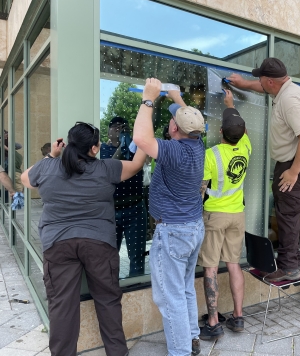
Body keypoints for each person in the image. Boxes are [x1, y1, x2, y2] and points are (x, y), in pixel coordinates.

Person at [21, 122, 146, 356]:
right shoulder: (107, 168)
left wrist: (51, 154)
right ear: (95, 148)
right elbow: (138, 163)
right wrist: (145, 136)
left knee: (62, 307)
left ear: (68, 144)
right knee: (108, 301)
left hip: (58, 245)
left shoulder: (47, 167)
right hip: (99, 244)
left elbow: (26, 179)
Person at [228, 57, 300, 282]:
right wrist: (243, 84)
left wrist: (293, 172)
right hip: (291, 161)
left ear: (271, 81)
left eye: (261, 78)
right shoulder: (283, 89)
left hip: (299, 162)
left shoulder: (290, 99)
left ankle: (289, 268)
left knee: (288, 216)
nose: (259, 82)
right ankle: (287, 263)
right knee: (284, 212)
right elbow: (261, 86)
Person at [133, 78, 205, 356]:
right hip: (192, 228)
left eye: (174, 119)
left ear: (174, 128)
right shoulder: (197, 145)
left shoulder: (174, 151)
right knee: (184, 287)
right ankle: (192, 338)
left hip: (174, 233)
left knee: (169, 297)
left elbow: (141, 138)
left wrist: (149, 98)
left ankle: (181, 351)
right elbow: (190, 119)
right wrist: (176, 97)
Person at [197, 90, 251, 341]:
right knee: (233, 264)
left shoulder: (211, 154)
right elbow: (243, 130)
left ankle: (213, 321)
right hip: (237, 215)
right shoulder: (246, 147)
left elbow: (202, 188)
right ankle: (238, 316)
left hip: (215, 215)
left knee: (210, 266)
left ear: (220, 132)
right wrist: (231, 104)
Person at [100, 116, 147, 277]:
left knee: (137, 256)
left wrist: (132, 143)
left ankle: (136, 286)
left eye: (124, 127)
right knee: (109, 256)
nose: (120, 129)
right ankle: (112, 288)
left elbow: (145, 160)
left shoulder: (135, 148)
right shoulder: (102, 150)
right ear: (108, 131)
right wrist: (122, 147)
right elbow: (109, 171)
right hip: (111, 211)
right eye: (116, 127)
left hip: (135, 209)